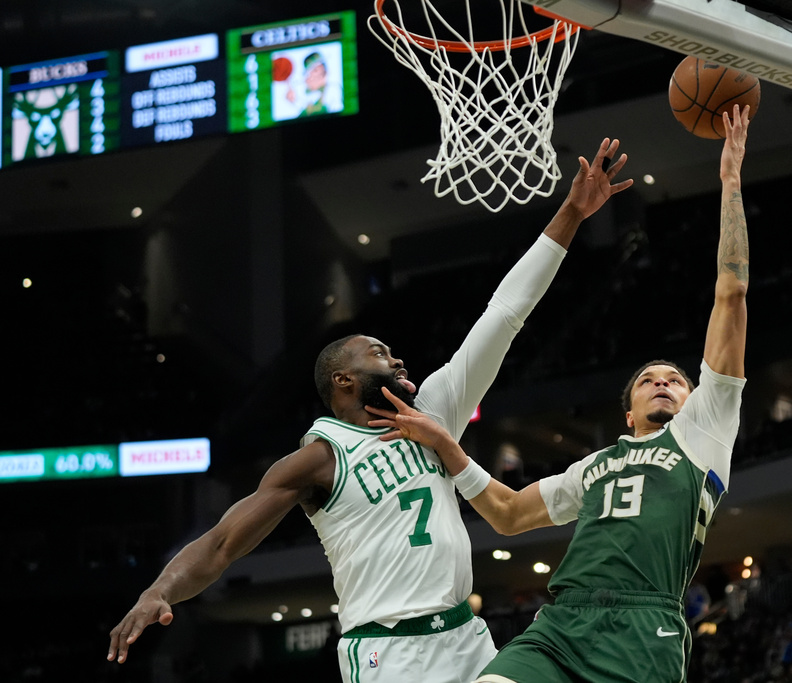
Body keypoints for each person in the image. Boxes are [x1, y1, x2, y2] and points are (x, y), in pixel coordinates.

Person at [106, 138, 634, 683]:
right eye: (380, 352)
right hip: (388, 653)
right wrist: (158, 590)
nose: (397, 356)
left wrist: (571, 214)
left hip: (466, 638)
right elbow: (221, 543)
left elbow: (505, 313)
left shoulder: (435, 410)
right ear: (344, 379)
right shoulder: (317, 460)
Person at [366, 104, 752, 683]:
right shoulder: (595, 466)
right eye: (648, 379)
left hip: (643, 631)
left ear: (696, 398)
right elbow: (509, 514)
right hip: (561, 624)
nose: (662, 383)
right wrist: (448, 447)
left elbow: (732, 293)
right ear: (628, 411)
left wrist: (729, 180)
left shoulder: (703, 431)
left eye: (675, 378)